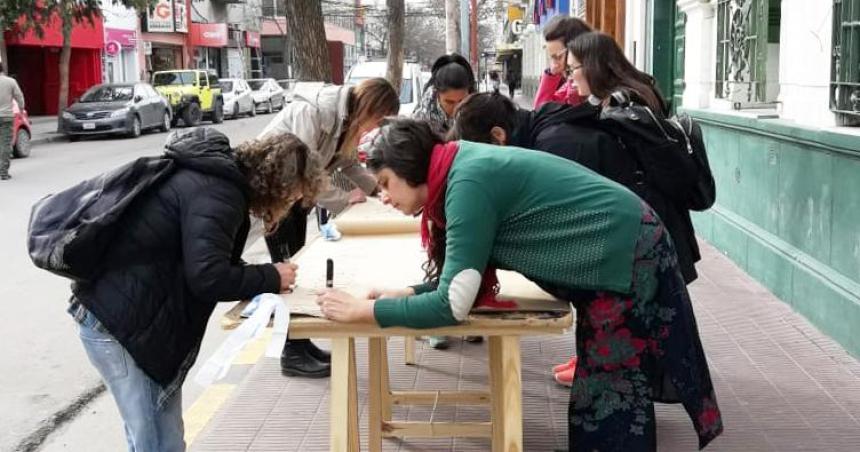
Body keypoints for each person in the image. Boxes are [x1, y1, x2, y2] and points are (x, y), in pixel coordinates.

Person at [317, 118, 723, 451]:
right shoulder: (457, 171)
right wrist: (405, 294)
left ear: (410, 167)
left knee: (609, 391)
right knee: (604, 388)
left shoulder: (466, 185)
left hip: (625, 251)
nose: (382, 196)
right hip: (620, 246)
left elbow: (451, 306)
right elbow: (461, 285)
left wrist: (365, 312)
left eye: (386, 182)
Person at [69, 128, 325, 451]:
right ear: (279, 185)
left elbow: (206, 260)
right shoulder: (221, 193)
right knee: (158, 443)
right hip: (120, 325)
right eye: (292, 198)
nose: (289, 208)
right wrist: (270, 277)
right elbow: (207, 276)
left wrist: (262, 276)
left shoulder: (220, 183)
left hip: (129, 320)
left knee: (160, 440)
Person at [258, 77, 400, 377]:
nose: (375, 128)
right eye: (378, 119)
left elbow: (347, 164)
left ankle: (300, 343)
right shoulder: (310, 115)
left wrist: (377, 190)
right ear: (369, 107)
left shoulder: (344, 122)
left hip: (294, 199)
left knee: (295, 270)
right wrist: (343, 198)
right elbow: (304, 171)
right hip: (274, 197)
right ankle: (291, 352)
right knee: (284, 272)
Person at [533, 16, 592, 110]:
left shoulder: (595, 83)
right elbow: (541, 111)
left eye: (558, 57)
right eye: (551, 58)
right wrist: (550, 75)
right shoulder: (570, 83)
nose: (554, 66)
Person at [413, 53, 477, 135]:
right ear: (436, 94)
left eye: (462, 101)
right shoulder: (420, 123)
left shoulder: (478, 114)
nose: (457, 108)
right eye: (449, 102)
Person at [0, 62, 25, 181]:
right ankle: (3, 172)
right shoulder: (10, 81)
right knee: (5, 144)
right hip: (6, 117)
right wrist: (21, 108)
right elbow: (19, 96)